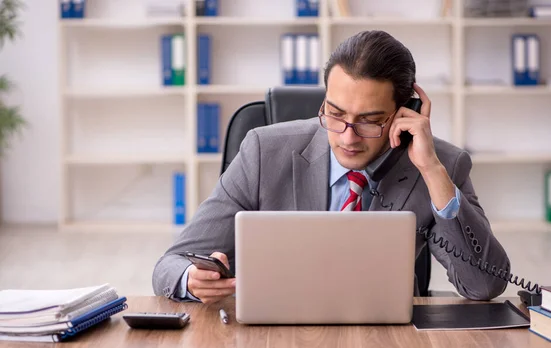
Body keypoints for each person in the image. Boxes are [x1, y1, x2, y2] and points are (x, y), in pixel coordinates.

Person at [153, 30, 510, 304]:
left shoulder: (442, 165)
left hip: (390, 343)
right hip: (272, 337)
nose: (347, 137)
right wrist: (190, 278)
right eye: (335, 114)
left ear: (406, 113)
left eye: (370, 121)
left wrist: (431, 172)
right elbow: (169, 265)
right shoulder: (264, 150)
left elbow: (484, 285)